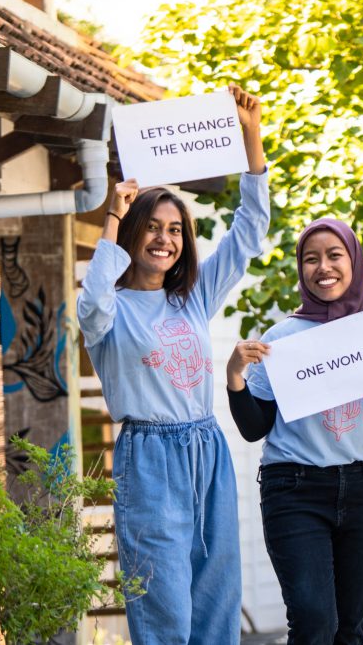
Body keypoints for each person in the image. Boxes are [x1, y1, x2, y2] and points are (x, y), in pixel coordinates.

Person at [77, 85, 270, 644]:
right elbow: (91, 303)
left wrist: (251, 136)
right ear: (133, 232)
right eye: (153, 227)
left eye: (176, 229)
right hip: (149, 457)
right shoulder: (111, 311)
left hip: (206, 448)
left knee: (216, 590)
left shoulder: (193, 297)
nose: (165, 239)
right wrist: (113, 215)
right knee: (162, 598)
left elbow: (248, 232)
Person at [225, 217, 363, 645]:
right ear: (301, 269)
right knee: (314, 624)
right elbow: (254, 428)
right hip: (294, 490)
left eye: (335, 255)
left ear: (354, 261)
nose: (323, 267)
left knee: (350, 630)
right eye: (311, 259)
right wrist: (235, 377)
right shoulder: (280, 341)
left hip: (362, 490)